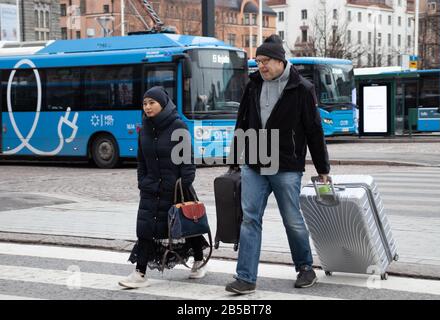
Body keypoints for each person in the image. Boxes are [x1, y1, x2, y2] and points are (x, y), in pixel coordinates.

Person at [225, 35, 330, 294]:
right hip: (255, 164)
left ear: (280, 61)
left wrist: (323, 169)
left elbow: (314, 131)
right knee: (250, 219)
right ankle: (246, 278)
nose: (261, 66)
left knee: (292, 219)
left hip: (286, 165)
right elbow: (243, 121)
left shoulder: (301, 89)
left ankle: (305, 268)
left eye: (266, 61)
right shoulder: (253, 85)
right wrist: (235, 159)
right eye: (258, 61)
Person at [119, 86, 208, 289]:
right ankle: (139, 273)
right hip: (150, 189)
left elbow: (188, 161)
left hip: (175, 188)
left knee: (185, 226)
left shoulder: (179, 127)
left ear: (163, 104)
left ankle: (199, 260)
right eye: (145, 103)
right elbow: (141, 161)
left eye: (152, 103)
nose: (148, 107)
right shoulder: (144, 129)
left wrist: (184, 183)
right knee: (145, 229)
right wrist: (142, 181)